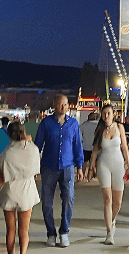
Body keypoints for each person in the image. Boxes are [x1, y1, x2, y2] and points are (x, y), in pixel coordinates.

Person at [34, 94, 84, 248]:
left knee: (69, 198)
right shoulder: (46, 123)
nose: (63, 107)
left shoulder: (73, 124)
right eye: (61, 104)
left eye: (66, 104)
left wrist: (80, 167)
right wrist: (34, 167)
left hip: (68, 167)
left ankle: (64, 231)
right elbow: (37, 146)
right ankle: (50, 233)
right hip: (48, 166)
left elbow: (77, 146)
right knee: (47, 202)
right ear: (54, 105)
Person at [0, 122, 41, 254]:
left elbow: (1, 177)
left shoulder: (7, 153)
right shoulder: (33, 149)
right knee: (24, 230)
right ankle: (22, 252)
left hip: (10, 192)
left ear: (8, 135)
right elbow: (36, 173)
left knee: (10, 229)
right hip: (26, 193)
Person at [87, 103, 129, 245]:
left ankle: (112, 221)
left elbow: (125, 148)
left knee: (117, 201)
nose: (106, 116)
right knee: (108, 199)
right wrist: (91, 167)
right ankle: (109, 233)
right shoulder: (100, 130)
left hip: (118, 165)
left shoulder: (120, 128)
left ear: (114, 115)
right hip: (103, 165)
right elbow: (94, 150)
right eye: (104, 113)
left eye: (108, 113)